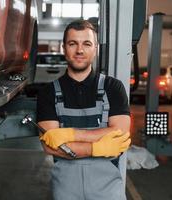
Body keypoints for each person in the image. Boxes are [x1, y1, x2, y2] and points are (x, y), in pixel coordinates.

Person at [37, 19, 131, 200]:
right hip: (66, 189)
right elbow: (50, 146)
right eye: (73, 44)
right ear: (64, 48)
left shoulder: (113, 87)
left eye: (87, 44)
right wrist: (97, 148)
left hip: (108, 190)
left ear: (95, 49)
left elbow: (120, 133)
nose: (79, 50)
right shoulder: (48, 92)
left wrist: (70, 135)